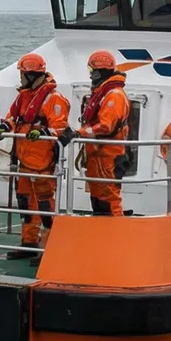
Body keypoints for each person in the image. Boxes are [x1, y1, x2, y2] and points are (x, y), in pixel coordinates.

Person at [0, 52, 69, 255]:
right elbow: (13, 117)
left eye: (23, 74)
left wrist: (43, 132)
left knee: (45, 206)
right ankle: (28, 243)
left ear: (32, 75)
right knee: (25, 204)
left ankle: (49, 249)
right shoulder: (23, 97)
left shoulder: (54, 99)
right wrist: (4, 126)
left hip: (43, 162)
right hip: (24, 160)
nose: (20, 78)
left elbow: (60, 127)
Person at [62, 50, 130, 216]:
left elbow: (106, 126)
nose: (90, 75)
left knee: (109, 197)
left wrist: (79, 133)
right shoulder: (104, 93)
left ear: (100, 72)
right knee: (98, 199)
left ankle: (116, 228)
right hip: (98, 156)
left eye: (92, 71)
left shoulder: (114, 95)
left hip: (109, 156)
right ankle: (101, 228)